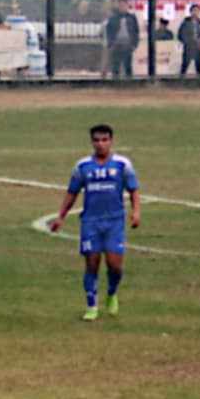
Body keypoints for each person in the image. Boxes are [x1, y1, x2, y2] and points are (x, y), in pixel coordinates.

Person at [49, 122, 141, 322]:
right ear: (92, 142)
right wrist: (60, 217)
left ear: (111, 141)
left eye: (104, 140)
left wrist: (136, 212)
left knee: (114, 266)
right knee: (92, 264)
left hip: (114, 222)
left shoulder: (122, 164)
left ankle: (111, 292)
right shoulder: (82, 166)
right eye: (97, 140)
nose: (101, 144)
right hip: (90, 222)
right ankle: (91, 306)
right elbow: (72, 193)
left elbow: (133, 189)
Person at [177, 9, 200, 76]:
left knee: (198, 66)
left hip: (197, 47)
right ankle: (181, 81)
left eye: (197, 11)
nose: (195, 12)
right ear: (191, 12)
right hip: (188, 46)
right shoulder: (186, 22)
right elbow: (180, 34)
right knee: (185, 65)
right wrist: (186, 41)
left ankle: (199, 81)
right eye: (194, 11)